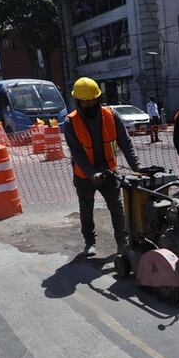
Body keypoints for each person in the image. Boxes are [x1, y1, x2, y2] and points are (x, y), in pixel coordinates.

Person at [64, 77, 141, 258]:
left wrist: (136, 167)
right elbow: (77, 154)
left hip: (108, 171)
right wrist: (92, 174)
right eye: (85, 101)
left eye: (93, 100)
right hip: (84, 175)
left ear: (99, 98)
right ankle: (90, 242)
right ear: (78, 102)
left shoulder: (111, 116)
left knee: (117, 207)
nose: (90, 104)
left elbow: (126, 143)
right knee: (86, 209)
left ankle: (122, 243)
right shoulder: (70, 123)